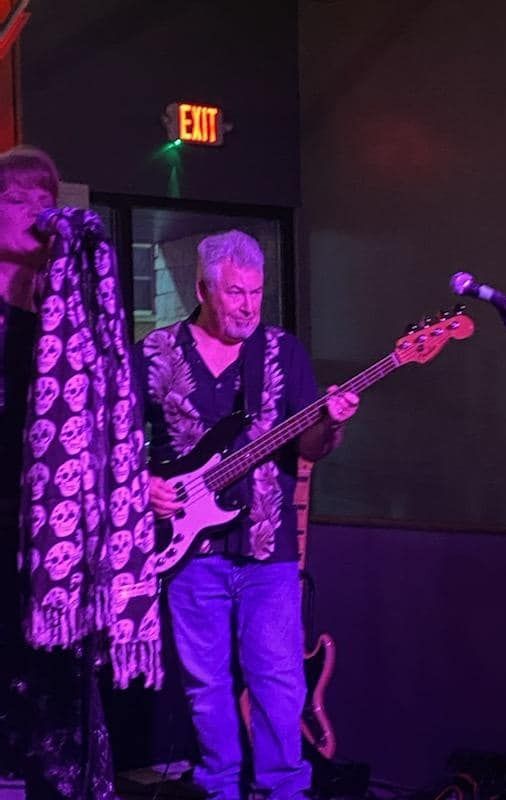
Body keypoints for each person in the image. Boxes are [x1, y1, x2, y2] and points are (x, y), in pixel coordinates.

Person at [135, 229, 359, 800]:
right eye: (235, 293)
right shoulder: (155, 353)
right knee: (205, 685)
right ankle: (220, 789)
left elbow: (310, 447)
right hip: (187, 550)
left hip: (268, 548)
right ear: (202, 290)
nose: (248, 306)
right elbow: (117, 441)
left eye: (256, 293)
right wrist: (145, 485)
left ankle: (284, 791)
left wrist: (330, 423)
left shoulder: (282, 352)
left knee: (278, 681)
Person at [0, 145, 115, 799]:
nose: (35, 212)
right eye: (16, 199)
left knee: (58, 727)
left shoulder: (69, 318)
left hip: (52, 552)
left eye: (45, 200)